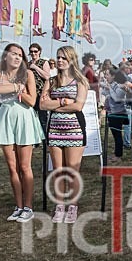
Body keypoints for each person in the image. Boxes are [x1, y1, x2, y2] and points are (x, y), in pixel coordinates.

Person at [0, 43, 44, 223]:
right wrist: (16, 88)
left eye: (20, 55)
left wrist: (18, 91)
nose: (18, 57)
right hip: (5, 118)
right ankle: (18, 206)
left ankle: (28, 207)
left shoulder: (27, 74)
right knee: (12, 167)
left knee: (25, 166)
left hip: (24, 119)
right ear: (6, 56)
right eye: (14, 54)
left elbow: (32, 100)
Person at [40, 46, 89, 224]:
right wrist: (62, 101)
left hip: (74, 130)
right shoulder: (51, 81)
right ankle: (60, 206)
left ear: (71, 60)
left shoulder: (81, 81)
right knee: (58, 171)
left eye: (64, 58)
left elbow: (77, 106)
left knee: (72, 171)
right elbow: (42, 105)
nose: (60, 60)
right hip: (54, 130)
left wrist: (54, 104)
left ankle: (73, 206)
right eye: (58, 57)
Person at [105, 68, 131, 164]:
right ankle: (116, 153)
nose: (106, 77)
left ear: (113, 76)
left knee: (118, 136)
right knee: (115, 136)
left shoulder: (119, 86)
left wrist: (109, 88)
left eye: (107, 74)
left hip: (118, 114)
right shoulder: (112, 85)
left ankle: (118, 156)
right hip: (112, 113)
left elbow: (117, 98)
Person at [27, 43, 51, 135]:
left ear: (39, 52)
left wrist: (35, 67)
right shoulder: (28, 64)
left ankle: (45, 141)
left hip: (41, 94)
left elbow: (47, 76)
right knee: (32, 117)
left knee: (42, 118)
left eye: (35, 51)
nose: (33, 53)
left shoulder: (43, 62)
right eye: (31, 52)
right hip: (31, 94)